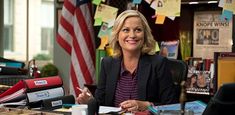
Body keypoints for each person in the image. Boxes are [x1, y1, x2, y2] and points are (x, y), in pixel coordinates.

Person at [77, 10, 176, 112]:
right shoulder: (107, 64)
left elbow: (172, 106)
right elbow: (100, 103)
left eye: (138, 30)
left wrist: (147, 106)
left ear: (145, 35)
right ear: (117, 35)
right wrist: (89, 101)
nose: (132, 35)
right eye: (125, 30)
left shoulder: (159, 63)